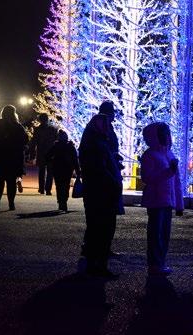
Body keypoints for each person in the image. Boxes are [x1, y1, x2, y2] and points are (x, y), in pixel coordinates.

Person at [78, 101, 123, 278]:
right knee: (101, 226)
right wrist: (113, 179)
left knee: (97, 225)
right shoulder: (97, 141)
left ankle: (94, 258)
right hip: (102, 189)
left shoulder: (94, 137)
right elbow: (98, 166)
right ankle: (97, 262)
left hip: (98, 188)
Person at [140, 121, 183, 276]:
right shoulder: (149, 155)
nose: (166, 136)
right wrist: (168, 171)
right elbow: (147, 178)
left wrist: (179, 204)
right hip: (156, 200)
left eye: (167, 133)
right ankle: (154, 264)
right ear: (155, 136)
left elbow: (176, 182)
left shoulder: (170, 154)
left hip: (167, 201)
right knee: (155, 234)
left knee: (164, 234)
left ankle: (160, 262)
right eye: (163, 133)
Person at [0, 105, 29, 211]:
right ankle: (11, 203)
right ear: (14, 114)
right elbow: (25, 141)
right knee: (11, 182)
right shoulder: (18, 127)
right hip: (13, 158)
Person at [46, 128, 80, 212]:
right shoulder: (70, 146)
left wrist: (52, 162)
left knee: (59, 185)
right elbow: (75, 159)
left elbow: (47, 156)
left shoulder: (56, 146)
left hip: (57, 168)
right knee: (66, 185)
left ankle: (61, 201)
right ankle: (64, 200)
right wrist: (77, 170)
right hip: (68, 169)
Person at [29, 113, 58, 195]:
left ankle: (41, 188)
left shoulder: (37, 129)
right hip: (51, 152)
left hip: (41, 152)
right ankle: (48, 189)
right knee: (50, 172)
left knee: (41, 171)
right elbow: (56, 141)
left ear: (40, 120)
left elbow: (33, 143)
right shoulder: (53, 129)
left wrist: (32, 155)